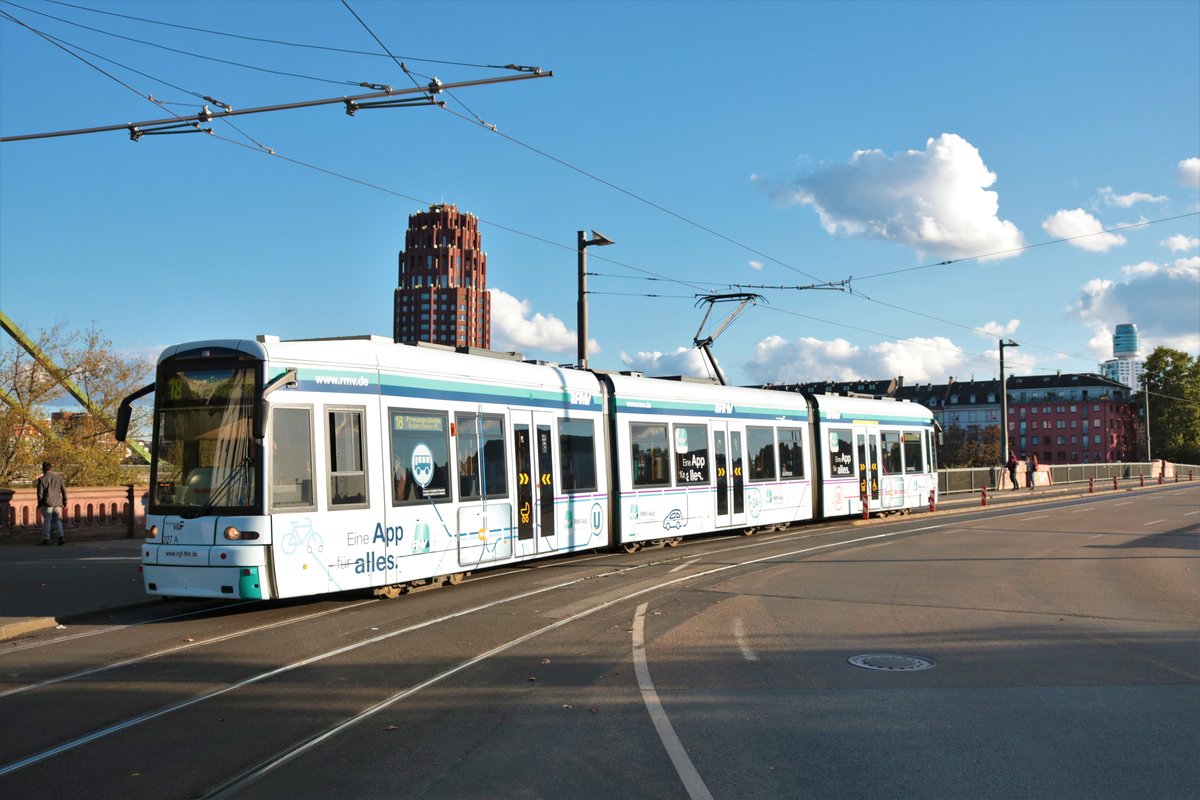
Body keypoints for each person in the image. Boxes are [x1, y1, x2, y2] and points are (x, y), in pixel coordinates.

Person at [37, 461, 68, 545]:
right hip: (58, 502)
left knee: (47, 521)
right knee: (57, 520)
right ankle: (61, 537)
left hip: (47, 503)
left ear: (43, 469)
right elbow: (64, 491)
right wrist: (65, 502)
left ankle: (46, 539)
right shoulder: (59, 478)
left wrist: (39, 504)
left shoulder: (41, 479)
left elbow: (40, 494)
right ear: (51, 468)